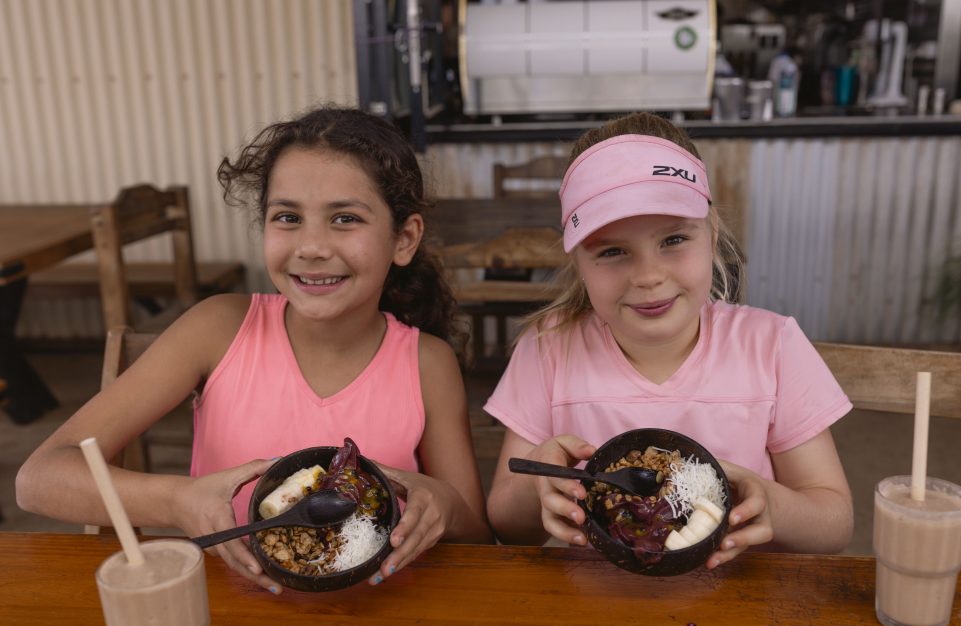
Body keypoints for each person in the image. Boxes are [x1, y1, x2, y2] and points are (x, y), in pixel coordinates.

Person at [16, 105, 492, 592]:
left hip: (375, 615)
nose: (310, 246)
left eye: (345, 218)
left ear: (404, 238)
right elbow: (40, 478)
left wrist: (443, 504)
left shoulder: (426, 363)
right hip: (225, 613)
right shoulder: (217, 329)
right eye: (287, 217)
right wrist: (177, 500)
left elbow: (479, 540)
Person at [485, 113, 853, 568]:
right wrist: (537, 487)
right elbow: (506, 523)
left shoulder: (772, 345)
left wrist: (774, 505)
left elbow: (834, 522)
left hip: (745, 608)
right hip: (593, 607)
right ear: (577, 260)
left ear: (712, 233)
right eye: (612, 251)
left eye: (674, 238)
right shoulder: (548, 347)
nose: (648, 276)